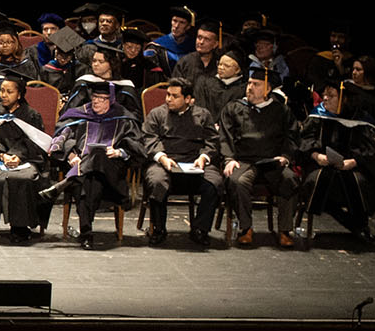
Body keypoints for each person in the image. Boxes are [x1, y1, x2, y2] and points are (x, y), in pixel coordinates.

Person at [47, 82, 142, 250]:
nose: (96, 102)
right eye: (94, 97)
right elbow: (63, 138)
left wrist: (119, 152)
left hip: (112, 177)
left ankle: (69, 181)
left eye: (101, 98)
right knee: (89, 183)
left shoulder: (123, 119)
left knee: (98, 154)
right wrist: (71, 155)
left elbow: (137, 148)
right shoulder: (79, 116)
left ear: (111, 100)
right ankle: (86, 233)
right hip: (88, 179)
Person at [218, 62, 300, 247]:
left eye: (256, 85)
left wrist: (286, 156)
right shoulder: (234, 108)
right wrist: (229, 159)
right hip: (244, 161)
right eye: (249, 83)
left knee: (290, 179)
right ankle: (245, 229)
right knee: (238, 182)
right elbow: (225, 136)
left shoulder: (281, 111)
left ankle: (285, 231)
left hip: (272, 161)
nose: (250, 88)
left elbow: (292, 137)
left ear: (268, 89)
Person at [297, 82, 375, 245]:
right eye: (324, 94)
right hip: (321, 164)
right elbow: (304, 141)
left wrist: (354, 161)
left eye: (331, 95)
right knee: (316, 180)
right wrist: (316, 156)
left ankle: (359, 224)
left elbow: (371, 151)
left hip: (352, 166)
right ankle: (358, 227)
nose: (325, 98)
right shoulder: (318, 116)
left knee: (359, 182)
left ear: (344, 99)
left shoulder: (361, 120)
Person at [138, 78, 222, 247]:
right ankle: (159, 229)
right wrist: (162, 157)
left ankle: (200, 229)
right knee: (157, 181)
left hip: (195, 161)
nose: (168, 99)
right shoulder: (157, 114)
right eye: (168, 95)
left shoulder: (203, 115)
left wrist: (204, 157)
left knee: (214, 183)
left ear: (188, 99)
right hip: (165, 161)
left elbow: (213, 142)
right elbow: (149, 139)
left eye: (174, 96)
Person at [0, 76, 51, 243]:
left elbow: (36, 142)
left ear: (19, 94)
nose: (3, 95)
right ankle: (11, 224)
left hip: (26, 160)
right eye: (2, 91)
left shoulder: (31, 115)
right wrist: (1, 154)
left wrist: (17, 156)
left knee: (25, 178)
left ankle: (20, 226)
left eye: (9, 92)